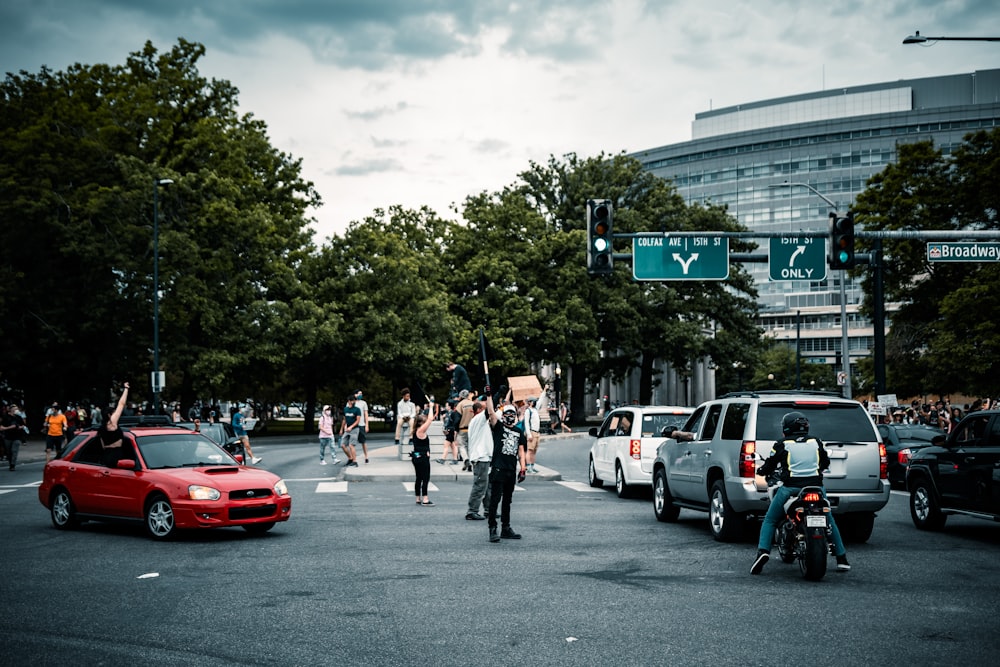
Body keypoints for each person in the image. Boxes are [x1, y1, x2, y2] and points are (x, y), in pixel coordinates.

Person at [750, 411, 850, 575]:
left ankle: (763, 552)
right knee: (829, 520)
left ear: (786, 428)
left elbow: (770, 464)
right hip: (816, 488)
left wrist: (761, 470)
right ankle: (842, 558)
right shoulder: (816, 441)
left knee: (770, 519)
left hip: (790, 489)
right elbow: (825, 462)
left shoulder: (781, 444)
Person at [484, 388, 528, 543]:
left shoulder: (518, 431)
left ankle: (506, 527)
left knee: (507, 500)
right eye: (507, 413)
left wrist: (523, 468)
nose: (510, 416)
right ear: (503, 416)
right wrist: (489, 396)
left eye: (512, 414)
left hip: (510, 469)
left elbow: (521, 451)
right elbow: (490, 413)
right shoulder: (498, 427)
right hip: (498, 468)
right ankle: (492, 528)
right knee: (495, 500)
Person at [465, 400, 491, 520]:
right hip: (481, 457)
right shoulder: (479, 419)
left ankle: (489, 509)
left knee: (487, 485)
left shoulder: (480, 421)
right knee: (480, 485)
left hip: (485, 457)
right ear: (479, 410)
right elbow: (490, 408)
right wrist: (493, 396)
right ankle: (472, 511)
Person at [99, 383, 130, 467]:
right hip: (116, 455)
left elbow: (102, 445)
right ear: (109, 415)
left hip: (106, 455)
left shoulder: (101, 428)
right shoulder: (112, 422)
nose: (116, 414)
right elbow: (121, 404)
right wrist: (126, 389)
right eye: (113, 413)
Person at [410, 412, 435, 506]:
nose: (426, 424)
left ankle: (417, 498)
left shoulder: (416, 430)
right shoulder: (421, 431)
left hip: (416, 456)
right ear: (421, 423)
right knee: (425, 478)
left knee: (419, 478)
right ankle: (425, 499)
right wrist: (431, 406)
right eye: (424, 422)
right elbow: (430, 419)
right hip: (423, 457)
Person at [1, 403, 27, 471]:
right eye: (15, 409)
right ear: (11, 409)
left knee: (14, 451)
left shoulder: (18, 417)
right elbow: (1, 427)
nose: (16, 410)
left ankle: (13, 465)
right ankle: (10, 462)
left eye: (17, 409)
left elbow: (23, 425)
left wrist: (19, 427)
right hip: (8, 437)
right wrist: (10, 427)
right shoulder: (5, 417)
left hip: (17, 437)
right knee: (9, 452)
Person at [340, 394, 362, 467]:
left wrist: (351, 427)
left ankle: (355, 461)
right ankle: (350, 458)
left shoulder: (357, 410)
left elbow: (357, 421)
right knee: (342, 445)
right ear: (349, 401)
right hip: (347, 429)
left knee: (351, 445)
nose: (353, 402)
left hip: (354, 429)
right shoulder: (346, 409)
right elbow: (344, 419)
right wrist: (342, 429)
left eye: (354, 401)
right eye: (352, 401)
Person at [523, 396, 542, 473]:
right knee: (530, 450)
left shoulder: (535, 410)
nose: (535, 403)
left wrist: (544, 391)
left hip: (537, 432)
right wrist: (529, 434)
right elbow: (526, 423)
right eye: (533, 401)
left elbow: (541, 400)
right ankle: (528, 466)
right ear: (530, 402)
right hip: (532, 432)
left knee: (534, 451)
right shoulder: (528, 411)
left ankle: (532, 466)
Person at [354, 390, 370, 463]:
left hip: (361, 424)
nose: (361, 395)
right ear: (355, 394)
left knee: (363, 441)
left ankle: (366, 456)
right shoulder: (351, 402)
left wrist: (367, 425)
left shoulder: (363, 403)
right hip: (353, 425)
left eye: (361, 394)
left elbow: (366, 414)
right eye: (359, 394)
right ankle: (353, 458)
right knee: (352, 442)